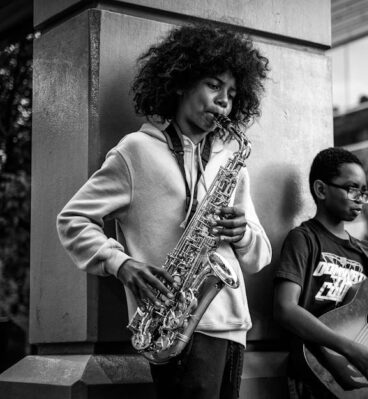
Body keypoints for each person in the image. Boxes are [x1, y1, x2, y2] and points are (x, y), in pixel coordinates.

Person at [56, 22, 272, 399]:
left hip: (235, 330)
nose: (224, 100)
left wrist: (244, 234)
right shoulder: (136, 151)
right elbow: (72, 220)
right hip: (176, 330)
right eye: (213, 85)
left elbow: (259, 258)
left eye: (233, 93)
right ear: (179, 83)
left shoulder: (230, 160)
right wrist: (121, 264)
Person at [273, 147, 368, 399]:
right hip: (314, 374)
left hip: (356, 373)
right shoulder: (304, 239)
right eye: (352, 189)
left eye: (364, 193)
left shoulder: (367, 252)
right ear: (321, 190)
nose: (360, 199)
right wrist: (349, 349)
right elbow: (285, 309)